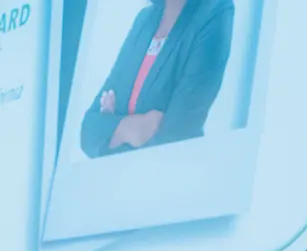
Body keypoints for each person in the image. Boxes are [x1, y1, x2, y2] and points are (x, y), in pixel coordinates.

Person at [81, 0, 234, 158]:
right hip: (120, 178)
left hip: (169, 176)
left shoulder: (214, 12)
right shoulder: (145, 19)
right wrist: (131, 128)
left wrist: (114, 130)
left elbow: (177, 137)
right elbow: (88, 131)